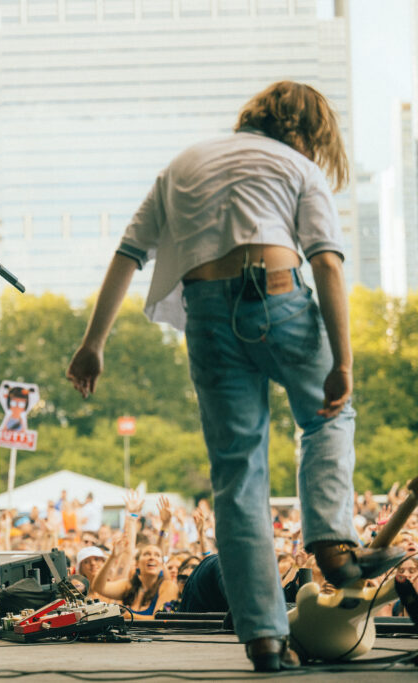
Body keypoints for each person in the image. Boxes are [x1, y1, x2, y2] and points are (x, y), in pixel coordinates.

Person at [66, 81, 404, 671]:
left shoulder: (184, 164)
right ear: (312, 133)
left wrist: (93, 344)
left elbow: (129, 252)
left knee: (237, 476)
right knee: (328, 416)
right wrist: (342, 363)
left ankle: (265, 639)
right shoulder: (297, 165)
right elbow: (325, 259)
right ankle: (334, 543)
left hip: (208, 318)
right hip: (280, 298)